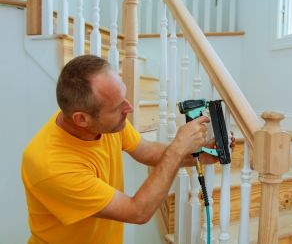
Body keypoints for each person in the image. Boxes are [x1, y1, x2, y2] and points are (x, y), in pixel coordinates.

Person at [21, 55, 231, 244]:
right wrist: (177, 149)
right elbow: (137, 211)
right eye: (117, 107)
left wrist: (201, 154)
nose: (129, 108)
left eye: (124, 97)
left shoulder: (108, 123)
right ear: (81, 119)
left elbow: (146, 150)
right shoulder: (51, 166)